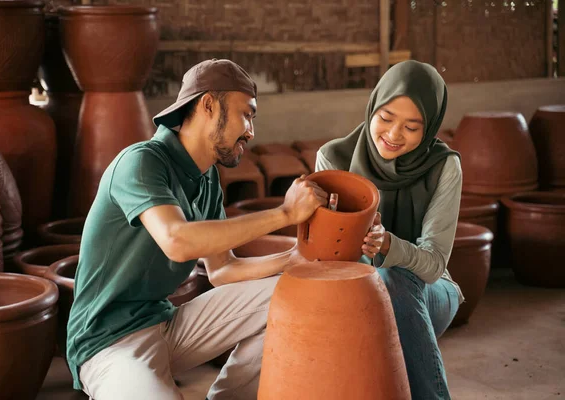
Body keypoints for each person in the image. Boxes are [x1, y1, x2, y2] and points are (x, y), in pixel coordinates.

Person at [66, 58, 328, 400]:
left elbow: (223, 270)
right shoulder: (142, 162)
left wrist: (292, 260)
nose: (251, 131)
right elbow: (176, 241)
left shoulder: (207, 180)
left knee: (294, 294)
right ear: (207, 104)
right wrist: (285, 213)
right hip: (107, 343)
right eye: (246, 114)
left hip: (166, 325)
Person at [316, 60, 463, 399]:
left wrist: (387, 246)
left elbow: (434, 264)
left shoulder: (444, 167)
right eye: (385, 118)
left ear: (429, 127)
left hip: (429, 293)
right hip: (355, 293)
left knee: (394, 278)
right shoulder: (333, 158)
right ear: (373, 107)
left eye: (412, 127)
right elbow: (326, 258)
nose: (394, 135)